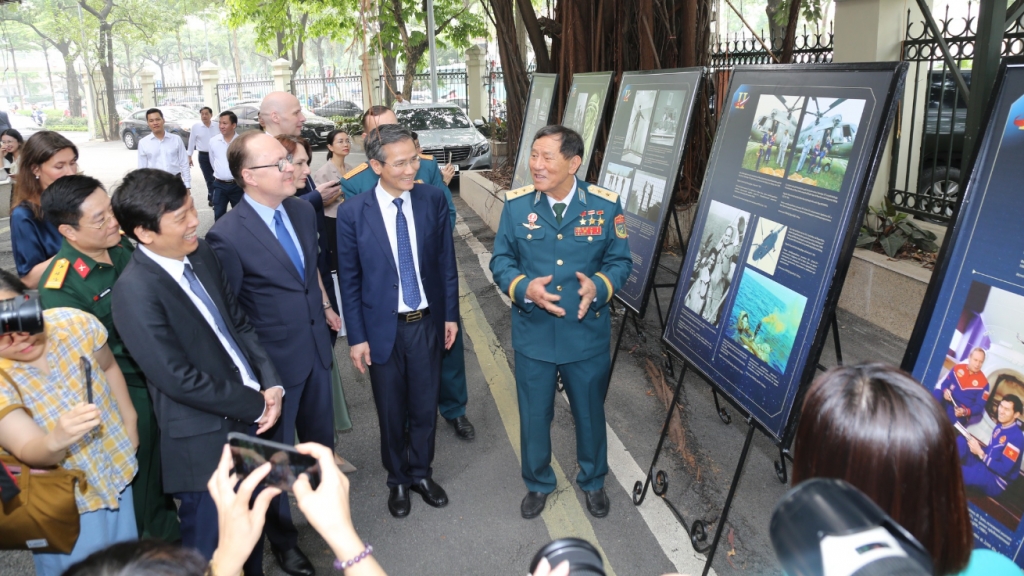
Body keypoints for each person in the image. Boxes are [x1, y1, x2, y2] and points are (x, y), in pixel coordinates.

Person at [110, 168, 284, 576]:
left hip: (250, 421)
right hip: (203, 444)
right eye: (181, 217)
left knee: (249, 538)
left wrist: (269, 381)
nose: (194, 222)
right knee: (213, 556)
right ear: (144, 233)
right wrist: (255, 404)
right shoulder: (134, 292)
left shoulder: (200, 253)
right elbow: (177, 377)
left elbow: (238, 322)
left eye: (192, 209)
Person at [206, 131, 337, 576]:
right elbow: (233, 316)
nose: (291, 169)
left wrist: (325, 309)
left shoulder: (301, 211)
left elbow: (310, 275)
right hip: (275, 371)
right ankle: (283, 541)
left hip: (318, 353)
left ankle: (327, 520)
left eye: (289, 160)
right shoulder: (226, 236)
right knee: (276, 462)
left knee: (320, 448)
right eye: (278, 164)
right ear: (248, 177)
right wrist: (261, 378)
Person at [489, 125, 632, 520]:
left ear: (574, 163)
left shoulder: (604, 206)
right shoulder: (517, 206)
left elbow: (620, 261)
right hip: (533, 332)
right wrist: (522, 288)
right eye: (533, 155)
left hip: (585, 334)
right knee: (535, 415)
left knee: (589, 412)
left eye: (546, 157)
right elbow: (501, 260)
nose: (536, 165)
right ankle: (538, 481)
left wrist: (599, 287)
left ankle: (593, 480)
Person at [38, 175, 180, 542]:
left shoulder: (120, 247)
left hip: (162, 375)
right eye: (99, 219)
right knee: (143, 479)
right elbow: (86, 364)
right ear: (68, 231)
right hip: (124, 391)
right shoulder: (61, 286)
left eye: (110, 211)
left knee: (166, 471)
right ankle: (157, 550)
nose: (113, 222)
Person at [336, 124, 459, 518]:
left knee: (425, 407)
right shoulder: (354, 212)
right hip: (381, 329)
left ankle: (422, 473)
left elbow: (446, 265)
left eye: (415, 158)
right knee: (391, 411)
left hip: (426, 324)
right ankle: (398, 481)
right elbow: (350, 279)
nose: (412, 169)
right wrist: (357, 337)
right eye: (401, 163)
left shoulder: (432, 200)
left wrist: (450, 316)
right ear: (376, 165)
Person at [792, 363, 1020, 576]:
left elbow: (1000, 465)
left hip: (993, 478)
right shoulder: (995, 567)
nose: (1000, 411)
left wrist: (980, 453)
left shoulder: (807, 560)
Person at [342, 105, 474, 441]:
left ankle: (454, 409)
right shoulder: (356, 183)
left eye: (393, 128)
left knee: (449, 352)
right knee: (395, 379)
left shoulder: (425, 170)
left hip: (427, 284)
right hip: (388, 298)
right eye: (378, 132)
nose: (407, 167)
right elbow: (356, 256)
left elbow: (445, 217)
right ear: (369, 143)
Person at [0, 269, 139, 575]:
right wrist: (56, 440)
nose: (18, 336)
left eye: (18, 317)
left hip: (116, 471)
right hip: (61, 504)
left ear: (28, 300)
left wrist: (130, 419)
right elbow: (28, 447)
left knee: (127, 565)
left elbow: (108, 366)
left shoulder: (75, 323)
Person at [12, 131, 79, 288]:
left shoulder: (80, 199)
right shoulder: (24, 215)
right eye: (59, 166)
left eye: (73, 162)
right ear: (35, 169)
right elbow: (29, 280)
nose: (70, 172)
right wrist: (76, 249)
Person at [962, 394, 1024, 498]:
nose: (1001, 411)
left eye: (1007, 409)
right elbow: (991, 452)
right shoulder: (999, 427)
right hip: (984, 467)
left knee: (958, 472)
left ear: (1016, 414)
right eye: (1001, 406)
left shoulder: (1016, 437)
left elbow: (1004, 470)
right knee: (961, 442)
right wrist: (975, 446)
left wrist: (981, 454)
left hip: (995, 481)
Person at [933, 347, 989, 457]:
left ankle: (937, 450)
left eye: (981, 362)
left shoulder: (984, 384)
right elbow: (944, 384)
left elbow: (979, 407)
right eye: (975, 360)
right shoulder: (957, 368)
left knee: (946, 429)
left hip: (959, 412)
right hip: (947, 401)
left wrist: (965, 412)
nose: (977, 364)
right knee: (937, 392)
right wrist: (945, 391)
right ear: (969, 358)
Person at [137, 109, 191, 190]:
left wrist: (187, 185)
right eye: (151, 121)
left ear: (163, 120)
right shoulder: (143, 143)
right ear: (148, 123)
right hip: (155, 184)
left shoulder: (176, 139)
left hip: (175, 181)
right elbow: (142, 169)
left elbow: (184, 163)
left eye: (158, 119)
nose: (155, 123)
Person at [209, 111, 243, 220]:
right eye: (220, 123)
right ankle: (219, 237)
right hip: (219, 185)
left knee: (240, 215)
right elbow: (212, 160)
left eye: (225, 123)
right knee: (219, 214)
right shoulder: (213, 141)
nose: (221, 126)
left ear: (233, 125)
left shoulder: (241, 142)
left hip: (237, 185)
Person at [187, 106, 218, 207]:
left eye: (206, 114)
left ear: (211, 115)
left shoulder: (217, 126)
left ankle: (212, 196)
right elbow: (191, 141)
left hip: (216, 155)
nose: (204, 116)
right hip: (204, 156)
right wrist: (189, 156)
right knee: (209, 178)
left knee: (217, 177)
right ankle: (213, 198)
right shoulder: (196, 127)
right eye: (202, 114)